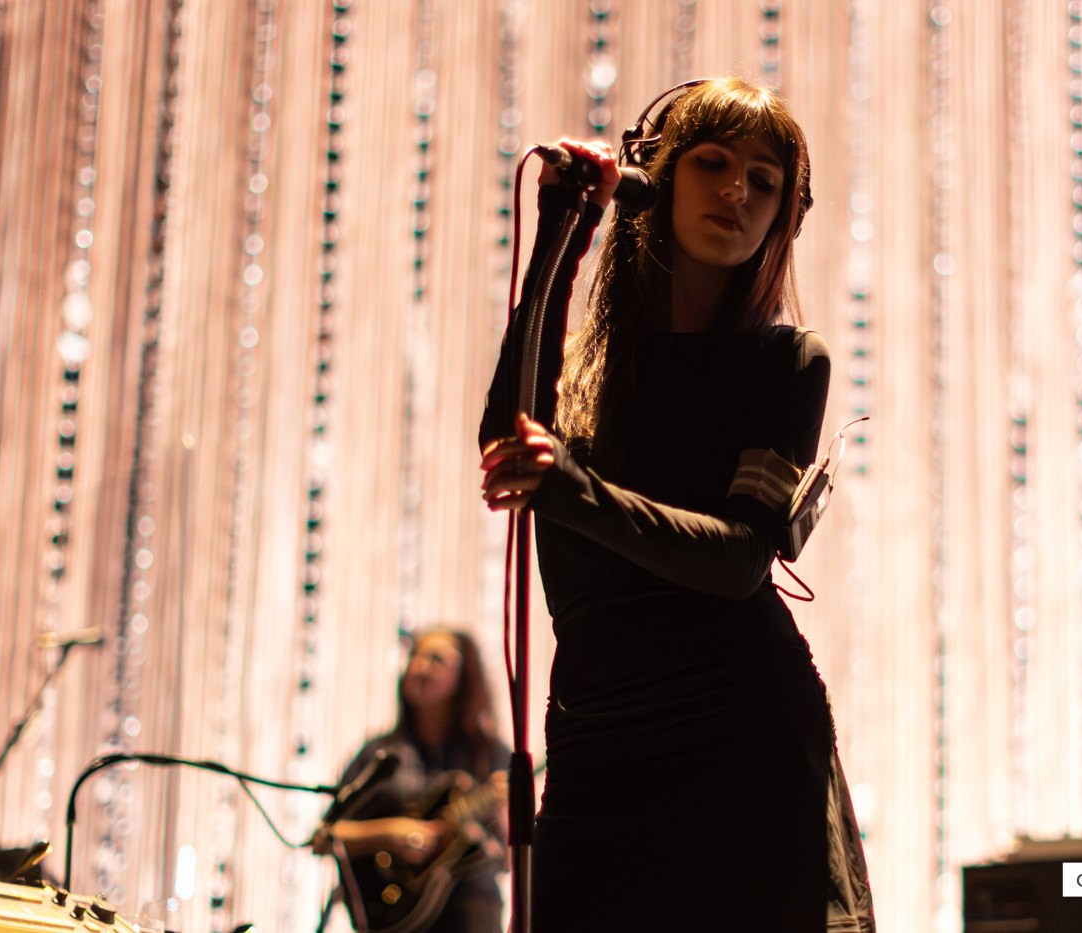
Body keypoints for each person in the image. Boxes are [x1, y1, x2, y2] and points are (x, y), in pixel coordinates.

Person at [477, 77, 874, 932]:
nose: (737, 192)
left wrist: (573, 490)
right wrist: (561, 228)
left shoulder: (788, 362)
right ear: (655, 175)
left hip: (738, 731)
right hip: (595, 736)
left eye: (764, 180)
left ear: (785, 214)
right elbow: (505, 434)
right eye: (713, 163)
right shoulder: (579, 368)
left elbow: (739, 558)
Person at [314, 629, 510, 933]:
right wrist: (388, 835)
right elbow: (324, 838)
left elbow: (510, 860)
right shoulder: (380, 753)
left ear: (465, 675)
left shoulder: (491, 755)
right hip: (393, 917)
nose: (419, 666)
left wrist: (505, 811)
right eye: (414, 656)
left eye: (436, 659)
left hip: (472, 914)